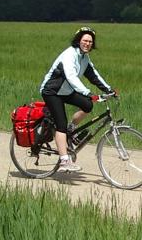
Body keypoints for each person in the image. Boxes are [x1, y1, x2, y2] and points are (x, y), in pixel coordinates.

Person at [40, 26, 116, 172]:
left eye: (90, 42)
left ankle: (72, 128)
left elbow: (94, 76)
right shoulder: (70, 55)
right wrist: (88, 92)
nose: (87, 43)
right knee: (60, 124)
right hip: (52, 91)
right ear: (78, 41)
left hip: (66, 91)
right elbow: (71, 77)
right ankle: (64, 161)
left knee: (87, 105)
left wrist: (109, 90)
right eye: (85, 40)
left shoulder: (84, 58)